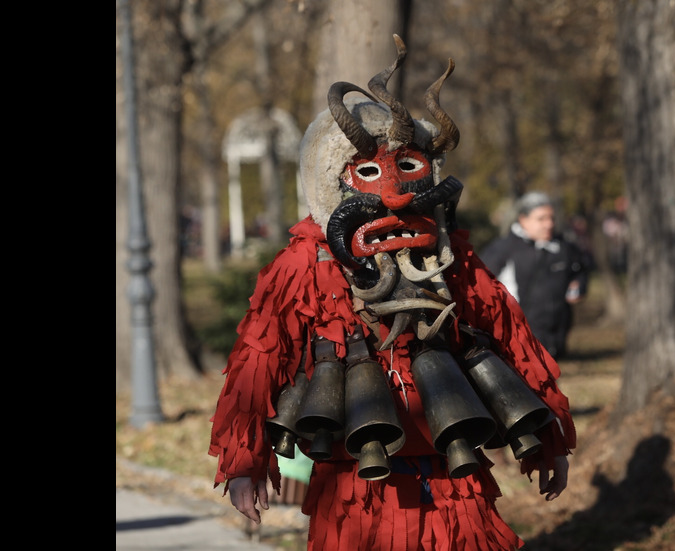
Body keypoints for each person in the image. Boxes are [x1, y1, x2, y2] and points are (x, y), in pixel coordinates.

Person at [208, 35, 575, 551]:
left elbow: (512, 341)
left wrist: (548, 442)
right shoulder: (304, 262)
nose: (394, 194)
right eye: (368, 172)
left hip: (455, 473)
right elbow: (259, 361)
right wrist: (245, 461)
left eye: (407, 167)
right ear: (336, 181)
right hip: (354, 485)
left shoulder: (451, 256)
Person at [479, 192, 592, 360]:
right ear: (523, 219)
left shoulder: (564, 247)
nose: (549, 224)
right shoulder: (503, 249)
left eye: (551, 218)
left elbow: (581, 270)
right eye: (541, 219)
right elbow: (480, 285)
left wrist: (579, 285)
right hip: (516, 339)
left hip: (556, 336)